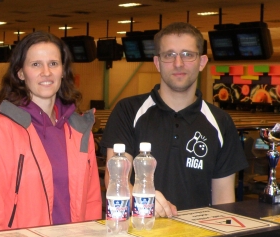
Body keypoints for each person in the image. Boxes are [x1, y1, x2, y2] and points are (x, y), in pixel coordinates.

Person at [101, 22, 247, 216]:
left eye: (187, 54)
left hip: (198, 233)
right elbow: (115, 180)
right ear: (157, 62)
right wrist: (143, 200)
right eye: (169, 55)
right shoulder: (128, 111)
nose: (178, 63)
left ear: (202, 62)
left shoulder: (221, 122)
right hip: (139, 230)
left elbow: (224, 201)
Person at [0, 31, 101, 233]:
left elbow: (91, 200)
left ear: (63, 71)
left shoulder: (79, 129)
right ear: (21, 73)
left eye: (53, 63)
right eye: (36, 64)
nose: (46, 72)